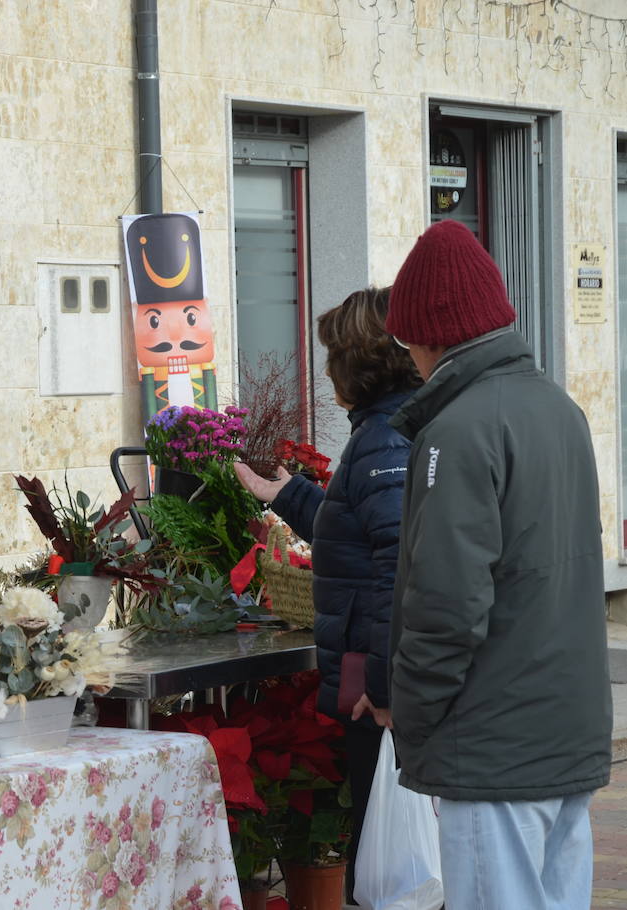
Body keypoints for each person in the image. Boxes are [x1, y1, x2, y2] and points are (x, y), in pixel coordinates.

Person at [384, 219, 611, 909]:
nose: (409, 361)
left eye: (407, 343)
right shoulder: (558, 409)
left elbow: (447, 602)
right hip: (561, 724)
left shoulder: (457, 429)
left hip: (492, 740)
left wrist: (413, 716)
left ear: (430, 335)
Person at [234, 287, 419, 897]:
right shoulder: (385, 433)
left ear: (355, 365)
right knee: (389, 856)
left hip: (380, 690)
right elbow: (362, 536)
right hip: (378, 681)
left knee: (392, 866)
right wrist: (286, 495)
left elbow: (398, 568)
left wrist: (386, 688)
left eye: (333, 356)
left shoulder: (388, 441)